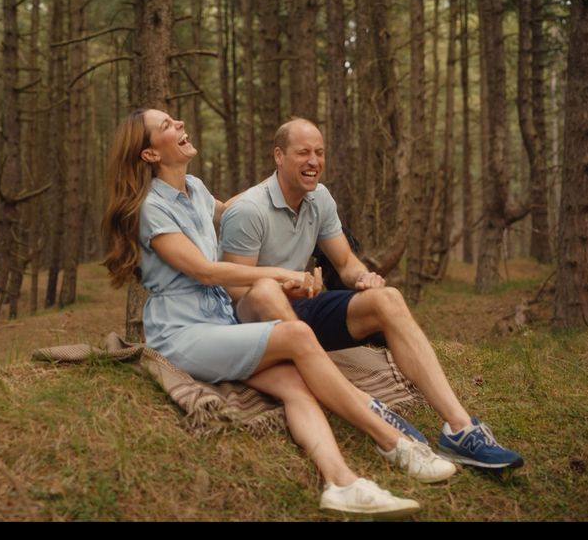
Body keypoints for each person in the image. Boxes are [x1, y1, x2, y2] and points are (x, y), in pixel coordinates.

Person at [102, 109, 456, 518]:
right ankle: (393, 441)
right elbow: (203, 269)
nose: (179, 125)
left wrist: (284, 178)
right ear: (149, 154)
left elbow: (232, 207)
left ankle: (341, 483)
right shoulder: (150, 208)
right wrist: (281, 272)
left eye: (175, 120)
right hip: (182, 332)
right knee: (299, 336)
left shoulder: (195, 188)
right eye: (167, 126)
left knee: (293, 383)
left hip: (220, 325)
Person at [220, 117, 523, 470]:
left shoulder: (320, 199)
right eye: (303, 152)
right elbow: (235, 289)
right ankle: (357, 399)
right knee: (264, 290)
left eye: (319, 153)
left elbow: (346, 262)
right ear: (279, 156)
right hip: (255, 321)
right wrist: (282, 283)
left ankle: (459, 428)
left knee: (388, 298)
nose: (313, 161)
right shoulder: (249, 210)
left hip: (303, 306)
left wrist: (365, 278)